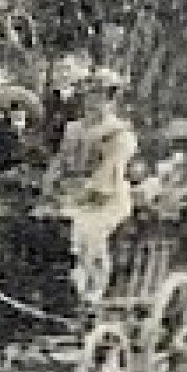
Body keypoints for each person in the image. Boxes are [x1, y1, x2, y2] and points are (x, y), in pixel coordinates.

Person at [41, 67, 138, 302]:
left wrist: (83, 194)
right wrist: (50, 185)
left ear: (111, 100)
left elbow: (109, 172)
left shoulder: (119, 134)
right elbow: (60, 162)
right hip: (69, 196)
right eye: (90, 95)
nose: (94, 102)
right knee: (37, 223)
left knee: (84, 228)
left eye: (102, 96)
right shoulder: (74, 129)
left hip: (107, 200)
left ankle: (92, 288)